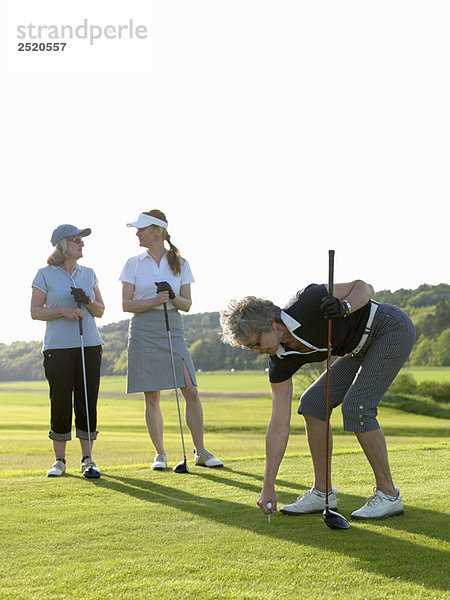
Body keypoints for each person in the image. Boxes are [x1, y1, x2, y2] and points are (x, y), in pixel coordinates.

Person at [220, 280, 416, 520]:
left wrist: (344, 306)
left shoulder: (308, 300)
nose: (254, 352)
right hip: (358, 349)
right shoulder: (280, 361)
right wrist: (268, 485)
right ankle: (322, 492)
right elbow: (278, 424)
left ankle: (389, 495)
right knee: (312, 404)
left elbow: (364, 287)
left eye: (255, 344)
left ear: (271, 325)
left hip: (389, 328)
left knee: (358, 406)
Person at [120, 210, 223, 470]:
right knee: (152, 395)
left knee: (190, 389)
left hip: (172, 326)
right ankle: (160, 454)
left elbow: (187, 304)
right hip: (144, 328)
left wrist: (171, 296)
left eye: (142, 229)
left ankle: (200, 451)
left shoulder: (180, 262)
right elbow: (126, 304)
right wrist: (156, 299)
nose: (137, 233)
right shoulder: (133, 263)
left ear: (157, 230)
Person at [31, 224, 105, 478]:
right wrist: (63, 310)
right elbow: (35, 311)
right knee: (60, 401)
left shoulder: (89, 273)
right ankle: (60, 460)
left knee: (87, 400)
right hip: (58, 348)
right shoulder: (44, 274)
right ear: (63, 244)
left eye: (82, 240)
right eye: (77, 240)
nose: (82, 244)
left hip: (90, 345)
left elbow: (100, 310)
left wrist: (87, 300)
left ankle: (88, 459)